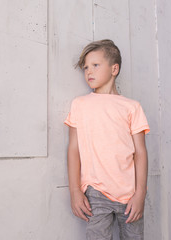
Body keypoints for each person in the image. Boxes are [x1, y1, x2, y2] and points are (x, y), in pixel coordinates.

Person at [64, 39, 150, 240]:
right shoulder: (80, 105)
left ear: (114, 69)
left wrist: (140, 194)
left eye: (95, 65)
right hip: (96, 192)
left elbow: (141, 153)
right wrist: (75, 191)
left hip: (130, 194)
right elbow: (73, 150)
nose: (89, 72)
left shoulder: (132, 107)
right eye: (85, 67)